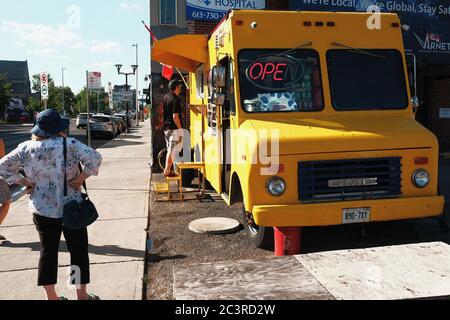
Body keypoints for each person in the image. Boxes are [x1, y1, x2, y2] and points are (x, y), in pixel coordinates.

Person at [0, 109, 102, 301]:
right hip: (72, 208)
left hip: (41, 209)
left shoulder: (26, 147)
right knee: (78, 252)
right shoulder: (70, 144)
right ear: (59, 127)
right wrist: (80, 178)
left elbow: (2, 166)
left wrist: (25, 183)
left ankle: (52, 297)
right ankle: (81, 295)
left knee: (48, 252)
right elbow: (95, 158)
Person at [163, 80, 183, 177]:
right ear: (176, 88)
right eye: (179, 87)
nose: (180, 89)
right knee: (172, 151)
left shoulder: (166, 97)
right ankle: (167, 170)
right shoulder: (176, 99)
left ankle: (172, 171)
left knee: (170, 150)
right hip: (174, 129)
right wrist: (180, 129)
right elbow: (175, 117)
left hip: (166, 129)